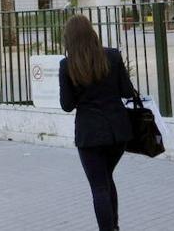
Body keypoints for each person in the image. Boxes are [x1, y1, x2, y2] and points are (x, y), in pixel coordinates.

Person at [59, 14, 138, 231]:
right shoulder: (112, 56)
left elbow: (67, 105)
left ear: (69, 38)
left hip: (90, 135)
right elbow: (127, 91)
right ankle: (114, 226)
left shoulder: (67, 65)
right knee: (105, 179)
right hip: (118, 133)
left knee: (99, 186)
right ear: (92, 32)